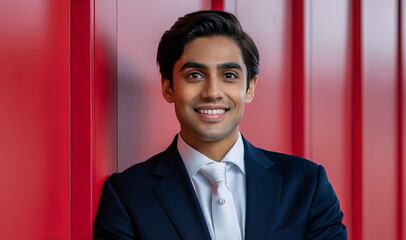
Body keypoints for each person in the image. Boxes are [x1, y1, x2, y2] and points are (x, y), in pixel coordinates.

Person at [94, 10, 347, 240]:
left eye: (229, 76)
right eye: (195, 75)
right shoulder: (126, 197)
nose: (212, 92)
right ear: (168, 87)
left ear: (249, 88)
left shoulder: (307, 185)